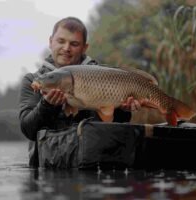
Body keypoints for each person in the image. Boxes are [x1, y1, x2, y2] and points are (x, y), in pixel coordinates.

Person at [18, 17, 140, 167]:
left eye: (74, 44)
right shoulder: (34, 81)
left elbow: (115, 127)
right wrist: (47, 105)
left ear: (84, 47)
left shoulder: (102, 76)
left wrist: (123, 111)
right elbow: (28, 130)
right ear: (51, 42)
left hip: (93, 165)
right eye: (61, 41)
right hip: (48, 169)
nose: (66, 48)